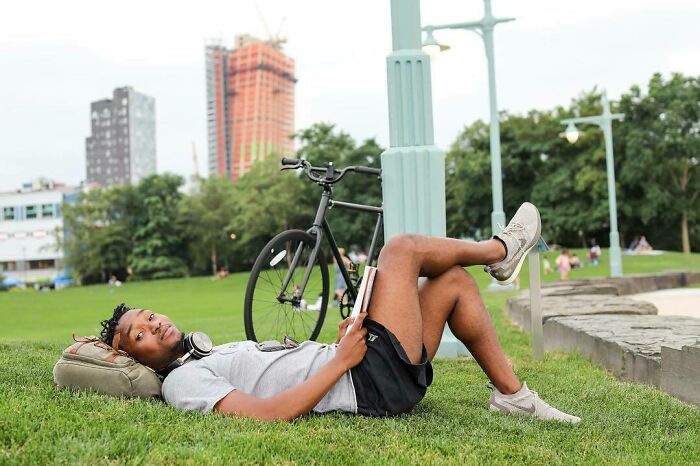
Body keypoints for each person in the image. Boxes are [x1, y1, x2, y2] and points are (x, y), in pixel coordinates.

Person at [99, 203, 579, 423]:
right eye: (137, 335)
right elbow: (267, 414)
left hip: (362, 364)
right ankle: (498, 250)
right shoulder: (181, 383)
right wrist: (342, 361)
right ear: (135, 359)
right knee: (402, 249)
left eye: (145, 315)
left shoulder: (204, 354)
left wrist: (344, 338)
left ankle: (513, 396)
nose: (151, 323)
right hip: (366, 381)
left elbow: (281, 369)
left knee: (452, 282)